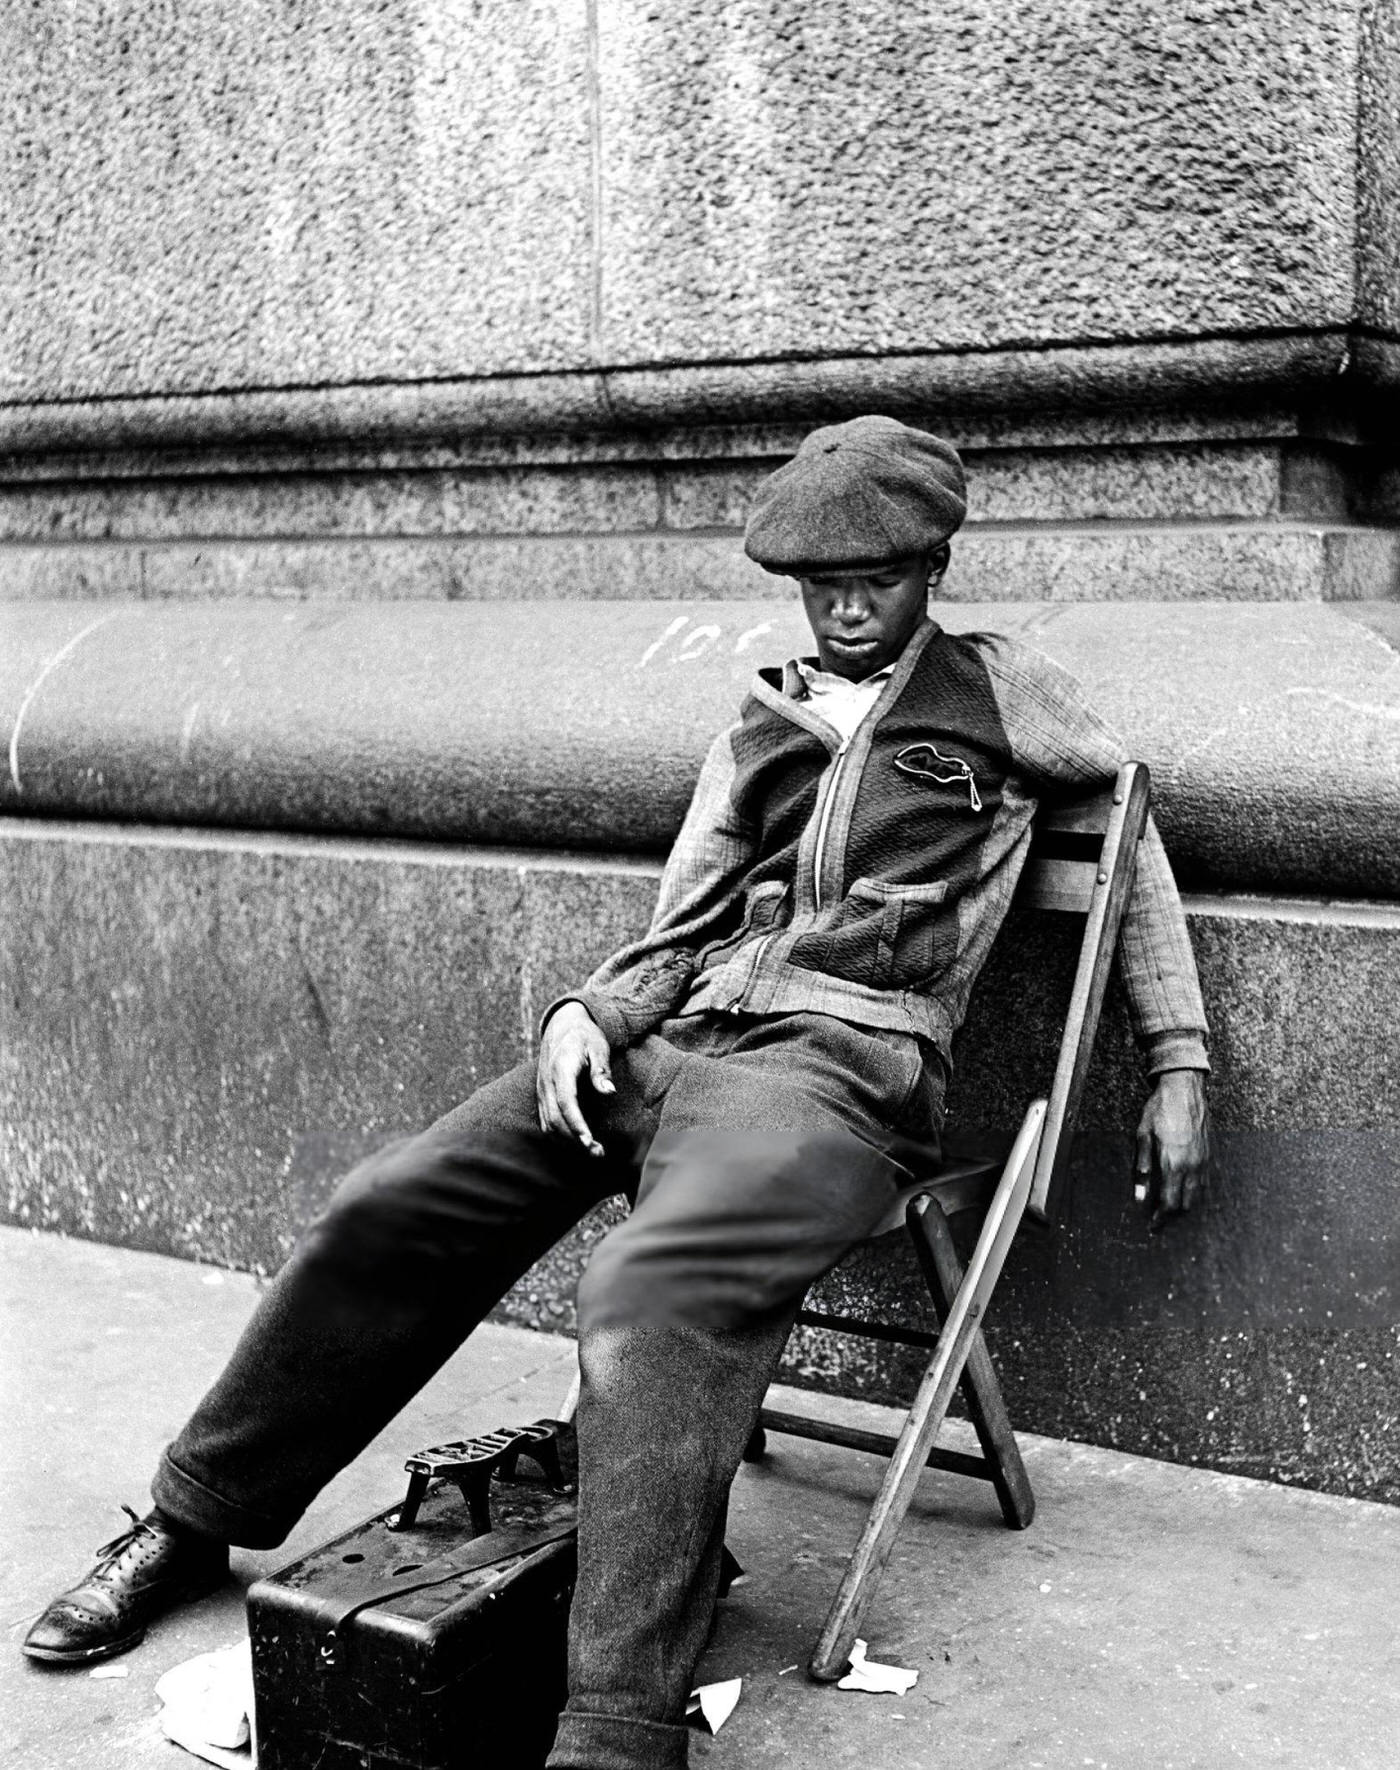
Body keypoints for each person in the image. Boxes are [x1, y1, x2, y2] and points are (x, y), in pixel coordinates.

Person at [22, 416, 1210, 1770]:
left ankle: (619, 1731)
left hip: (839, 1076)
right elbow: (679, 922)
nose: (845, 609)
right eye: (819, 586)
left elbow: (1131, 833)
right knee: (395, 1201)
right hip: (672, 1044)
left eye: (875, 580)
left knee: (648, 1293)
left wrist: (1178, 1058)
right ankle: (195, 1515)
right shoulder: (761, 719)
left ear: (934, 566)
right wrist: (588, 1012)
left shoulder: (999, 689)